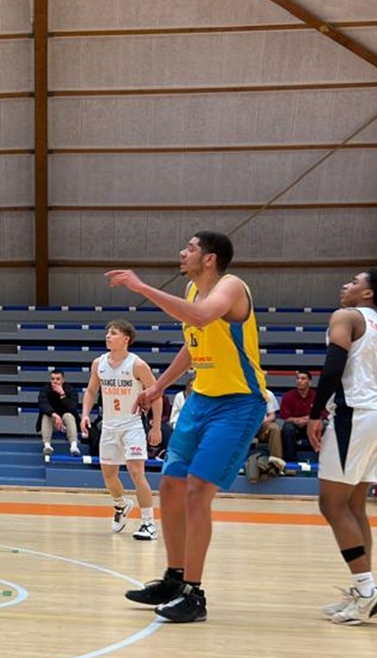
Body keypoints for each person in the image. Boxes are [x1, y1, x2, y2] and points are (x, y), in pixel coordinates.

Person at [108, 231, 267, 624]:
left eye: (191, 248)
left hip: (238, 404)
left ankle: (195, 595)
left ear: (209, 258)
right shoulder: (193, 292)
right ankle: (174, 578)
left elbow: (199, 317)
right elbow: (193, 343)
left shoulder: (231, 287)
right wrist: (159, 385)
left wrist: (142, 287)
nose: (182, 252)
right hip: (200, 401)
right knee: (171, 485)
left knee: (197, 491)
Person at [307, 268, 377, 625]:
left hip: (356, 416)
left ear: (367, 294)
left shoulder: (346, 316)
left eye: (354, 282)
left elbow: (333, 365)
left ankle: (366, 592)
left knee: (331, 504)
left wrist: (316, 413)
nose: (346, 285)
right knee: (354, 505)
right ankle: (366, 589)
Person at [79, 320, 161, 540]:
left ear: (126, 339)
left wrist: (156, 427)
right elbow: (91, 391)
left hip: (131, 425)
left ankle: (148, 523)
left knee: (136, 472)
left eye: (113, 333)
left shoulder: (138, 365)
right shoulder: (98, 363)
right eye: (107, 333)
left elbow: (156, 395)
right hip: (108, 426)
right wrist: (85, 414)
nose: (108, 336)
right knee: (109, 476)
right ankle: (121, 505)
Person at [276, 372, 318, 460]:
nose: (299, 381)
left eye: (303, 379)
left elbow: (323, 413)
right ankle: (291, 461)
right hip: (295, 426)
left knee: (323, 425)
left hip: (311, 425)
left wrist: (308, 420)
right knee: (287, 428)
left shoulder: (316, 396)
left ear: (309, 382)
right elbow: (285, 417)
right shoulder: (288, 396)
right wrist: (299, 420)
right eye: (298, 378)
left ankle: (321, 459)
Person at [37, 370, 80, 456]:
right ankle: (47, 446)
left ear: (63, 380)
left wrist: (62, 395)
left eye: (58, 379)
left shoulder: (70, 389)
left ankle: (74, 446)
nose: (55, 381)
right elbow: (42, 404)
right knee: (46, 416)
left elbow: (73, 408)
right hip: (51, 421)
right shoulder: (45, 389)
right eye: (52, 379)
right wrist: (55, 415)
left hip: (66, 421)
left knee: (69, 416)